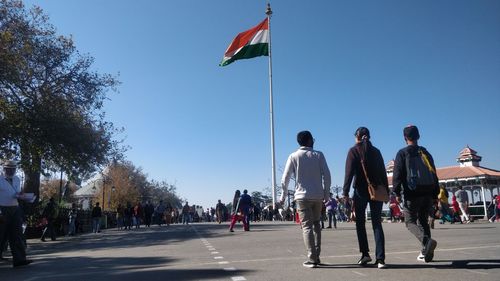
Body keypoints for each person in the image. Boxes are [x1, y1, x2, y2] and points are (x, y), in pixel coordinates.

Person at [280, 130, 331, 268]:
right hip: (317, 196)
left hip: (302, 196)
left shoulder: (293, 156)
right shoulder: (319, 155)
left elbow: (285, 178)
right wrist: (326, 195)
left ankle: (311, 257)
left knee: (306, 227)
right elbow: (327, 176)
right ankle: (317, 256)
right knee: (316, 225)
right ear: (309, 140)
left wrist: (283, 196)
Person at [392, 125, 439, 263]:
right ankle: (427, 254)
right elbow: (434, 173)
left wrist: (396, 191)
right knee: (423, 221)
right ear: (418, 136)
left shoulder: (402, 153)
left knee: (410, 221)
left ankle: (427, 242)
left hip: (412, 193)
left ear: (405, 138)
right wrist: (435, 194)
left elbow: (397, 174)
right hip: (428, 192)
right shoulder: (425, 152)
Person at [343, 127, 388, 269]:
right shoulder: (376, 151)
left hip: (360, 191)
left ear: (357, 136)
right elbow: (383, 172)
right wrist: (386, 191)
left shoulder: (353, 151)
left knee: (360, 223)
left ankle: (365, 254)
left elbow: (349, 173)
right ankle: (380, 259)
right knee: (377, 224)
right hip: (377, 190)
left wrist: (345, 192)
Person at [0, 160, 32, 267]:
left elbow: (17, 193)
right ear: (4, 169)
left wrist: (21, 195)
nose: (11, 170)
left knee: (17, 235)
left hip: (15, 208)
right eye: (9, 168)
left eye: (13, 168)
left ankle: (19, 260)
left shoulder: (17, 179)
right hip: (2, 209)